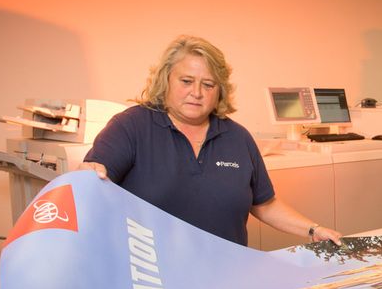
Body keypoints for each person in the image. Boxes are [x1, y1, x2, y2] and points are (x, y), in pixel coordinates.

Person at [81, 35, 342, 247]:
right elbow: (92, 182)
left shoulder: (237, 137)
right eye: (186, 81)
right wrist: (86, 174)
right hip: (152, 281)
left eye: (208, 84)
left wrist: (313, 229)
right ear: (166, 80)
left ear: (220, 91)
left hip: (225, 275)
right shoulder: (131, 126)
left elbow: (264, 203)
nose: (196, 92)